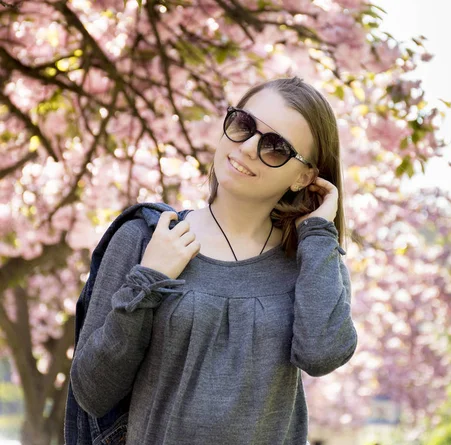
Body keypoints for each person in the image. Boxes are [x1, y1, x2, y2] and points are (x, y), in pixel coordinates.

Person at [69, 76, 358, 444]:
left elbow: (321, 355)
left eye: (275, 147)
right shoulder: (147, 238)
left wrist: (318, 234)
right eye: (244, 126)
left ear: (304, 176)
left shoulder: (313, 262)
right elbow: (93, 392)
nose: (249, 148)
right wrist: (148, 279)